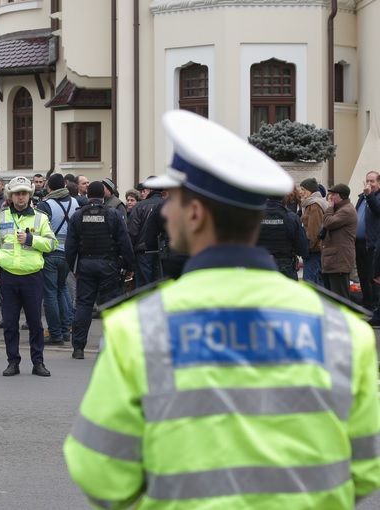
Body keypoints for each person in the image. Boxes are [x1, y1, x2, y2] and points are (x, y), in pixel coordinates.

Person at [64, 109, 380, 508]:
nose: (165, 210)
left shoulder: (140, 329)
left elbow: (100, 472)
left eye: (173, 199)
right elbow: (366, 468)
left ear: (195, 214)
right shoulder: (344, 331)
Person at [0, 176, 57, 376]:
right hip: (8, 277)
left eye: (24, 193)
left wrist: (31, 239)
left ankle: (38, 362)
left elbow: (51, 244)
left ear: (29, 195)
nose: (21, 197)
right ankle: (12, 362)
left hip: (32, 277)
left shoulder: (40, 217)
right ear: (11, 195)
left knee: (35, 323)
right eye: (17, 193)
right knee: (9, 323)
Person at [64, 181, 134, 359]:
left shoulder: (78, 216)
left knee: (84, 306)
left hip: (85, 265)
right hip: (108, 265)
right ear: (104, 195)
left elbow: (70, 246)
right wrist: (129, 266)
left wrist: (73, 268)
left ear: (87, 195)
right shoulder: (113, 214)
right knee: (111, 306)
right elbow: (124, 242)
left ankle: (78, 348)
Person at [36, 173, 78, 346]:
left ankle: (55, 333)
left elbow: (37, 229)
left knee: (50, 294)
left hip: (50, 254)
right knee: (62, 290)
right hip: (68, 254)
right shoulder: (75, 202)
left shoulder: (46, 205)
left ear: (49, 188)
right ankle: (67, 328)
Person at [256, 194, 308, 280]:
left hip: (260, 266)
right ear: (284, 197)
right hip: (285, 268)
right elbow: (303, 249)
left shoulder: (255, 216)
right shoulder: (291, 218)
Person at [321, 184, 357, 299]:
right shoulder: (340, 209)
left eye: (334, 194)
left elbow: (328, 223)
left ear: (341, 196)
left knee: (340, 298)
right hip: (333, 260)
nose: (330, 197)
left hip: (339, 261)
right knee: (332, 298)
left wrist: (330, 208)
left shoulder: (346, 210)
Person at [128, 179, 164, 286]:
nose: (142, 193)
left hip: (143, 253)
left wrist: (130, 254)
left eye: (144, 190)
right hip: (163, 251)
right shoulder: (168, 205)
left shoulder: (140, 206)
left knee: (144, 289)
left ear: (150, 190)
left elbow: (132, 232)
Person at [355, 172, 379, 308]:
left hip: (373, 243)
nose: (369, 184)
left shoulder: (374, 197)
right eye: (367, 181)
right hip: (359, 243)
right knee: (362, 275)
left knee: (372, 277)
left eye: (372, 181)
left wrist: (369, 195)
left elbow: (378, 210)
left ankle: (375, 306)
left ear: (379, 183)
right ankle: (367, 303)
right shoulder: (362, 197)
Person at [298, 177, 328, 285]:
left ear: (310, 190)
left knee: (310, 283)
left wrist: (307, 249)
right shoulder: (309, 204)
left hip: (314, 251)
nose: (300, 192)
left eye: (303, 189)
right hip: (314, 250)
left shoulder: (314, 205)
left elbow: (314, 231)